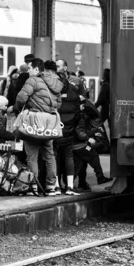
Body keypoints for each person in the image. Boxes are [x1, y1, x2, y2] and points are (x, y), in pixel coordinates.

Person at [12, 58, 63, 196]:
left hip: (33, 121)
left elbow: (21, 98)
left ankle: (33, 186)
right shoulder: (56, 83)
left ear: (36, 69)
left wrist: (19, 108)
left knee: (32, 156)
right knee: (49, 155)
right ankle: (51, 186)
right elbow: (58, 104)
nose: (28, 71)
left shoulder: (33, 80)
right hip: (49, 123)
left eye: (29, 68)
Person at [50, 60, 81, 195]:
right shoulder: (73, 89)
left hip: (55, 127)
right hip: (69, 129)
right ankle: (70, 187)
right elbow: (78, 111)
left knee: (54, 157)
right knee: (69, 157)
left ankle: (56, 186)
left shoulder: (52, 91)